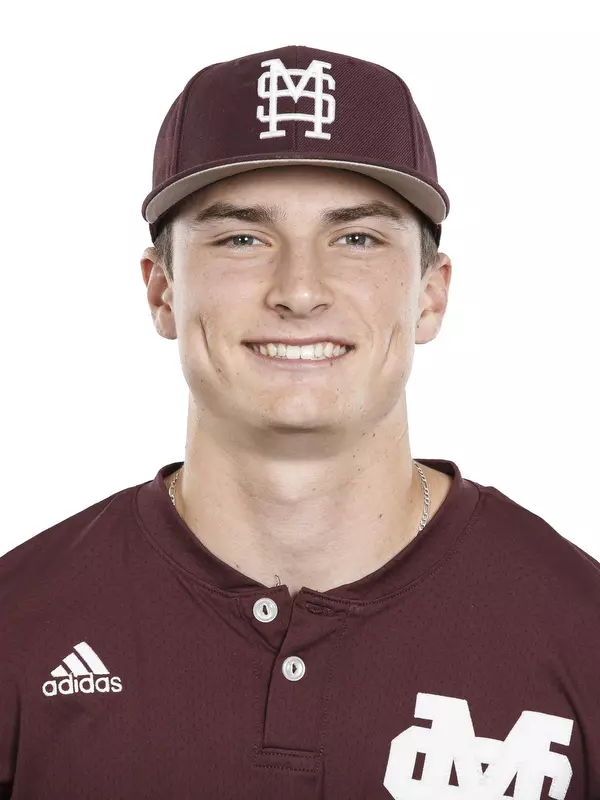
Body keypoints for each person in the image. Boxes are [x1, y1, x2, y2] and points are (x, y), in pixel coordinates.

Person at [1, 44, 598, 800]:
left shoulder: (580, 633)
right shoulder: (20, 626)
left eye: (356, 238)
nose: (300, 289)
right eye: (242, 238)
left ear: (430, 296)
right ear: (160, 291)